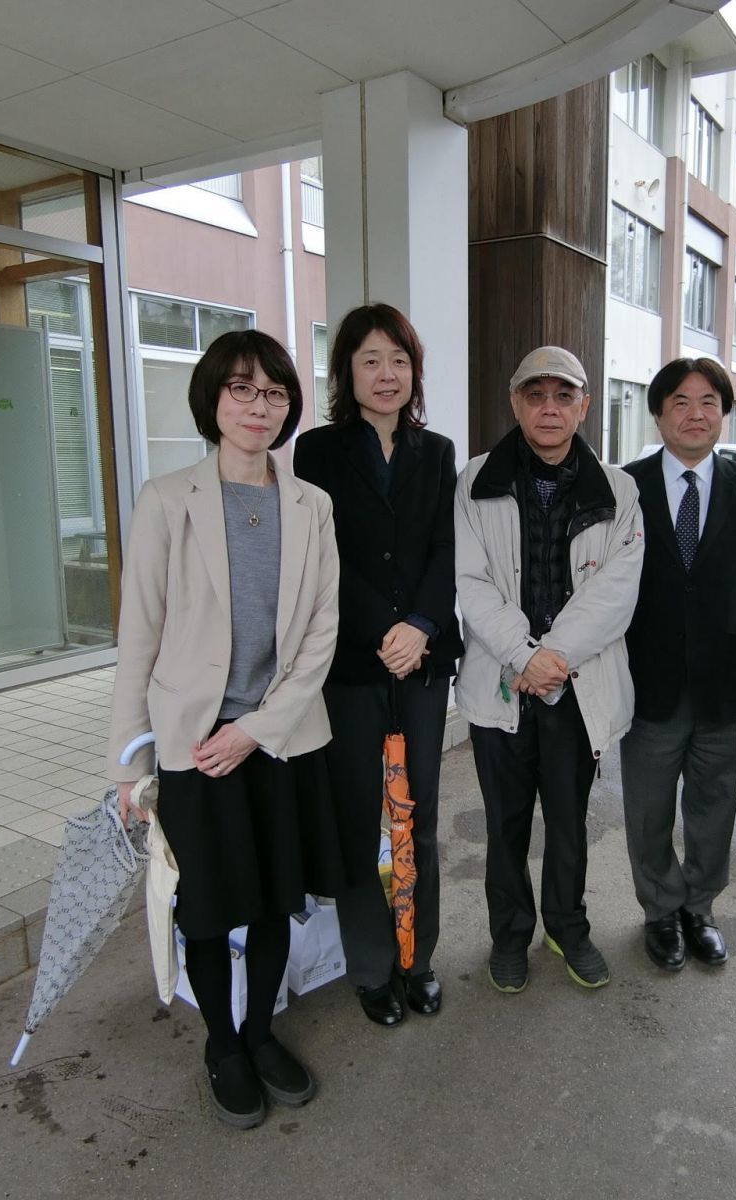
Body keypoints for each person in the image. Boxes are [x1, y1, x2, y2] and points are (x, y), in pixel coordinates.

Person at [109, 330, 357, 1130]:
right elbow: (139, 636)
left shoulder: (311, 506)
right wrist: (129, 764)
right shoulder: (167, 499)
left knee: (277, 898)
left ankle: (261, 1033)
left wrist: (257, 728)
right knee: (210, 908)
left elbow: (321, 633)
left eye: (275, 392)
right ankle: (222, 1043)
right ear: (213, 399)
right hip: (193, 742)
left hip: (280, 740)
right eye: (242, 389)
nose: (259, 406)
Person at [292, 303, 461, 1028]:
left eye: (398, 360)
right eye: (370, 360)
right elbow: (320, 556)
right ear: (347, 373)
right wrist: (383, 627)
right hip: (351, 665)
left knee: (417, 816)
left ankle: (417, 958)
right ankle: (369, 968)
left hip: (421, 663)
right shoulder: (316, 451)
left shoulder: (438, 452)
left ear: (413, 371)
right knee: (360, 818)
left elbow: (447, 550)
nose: (386, 373)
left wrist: (421, 625)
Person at [454, 345, 643, 993]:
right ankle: (509, 936)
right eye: (535, 395)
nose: (549, 408)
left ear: (584, 406)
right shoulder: (476, 481)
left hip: (574, 686)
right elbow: (472, 581)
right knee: (505, 825)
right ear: (515, 403)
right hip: (502, 683)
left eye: (564, 396)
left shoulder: (618, 491)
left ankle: (567, 926)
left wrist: (551, 659)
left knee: (568, 822)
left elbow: (615, 592)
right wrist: (525, 656)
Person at [620, 357, 736, 972]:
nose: (696, 414)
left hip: (725, 678)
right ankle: (660, 911)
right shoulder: (625, 487)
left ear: (723, 414)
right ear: (659, 414)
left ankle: (700, 908)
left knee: (715, 804)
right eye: (681, 402)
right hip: (648, 680)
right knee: (649, 807)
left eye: (708, 401)